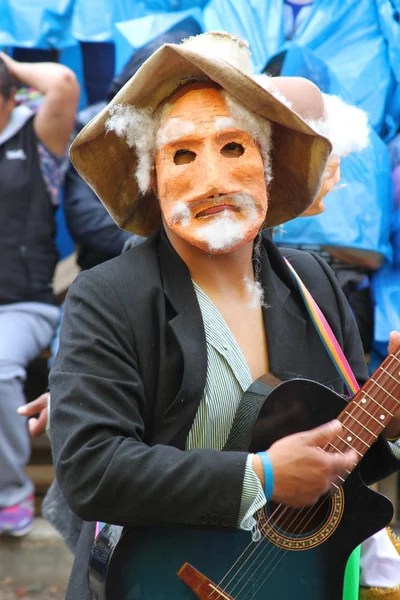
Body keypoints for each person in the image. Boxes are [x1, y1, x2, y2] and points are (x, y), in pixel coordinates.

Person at [49, 32, 400, 599]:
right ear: (152, 178)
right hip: (153, 582)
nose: (211, 181)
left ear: (267, 164)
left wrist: (388, 420)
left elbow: (341, 454)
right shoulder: (107, 296)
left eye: (233, 147)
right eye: (182, 154)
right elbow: (90, 469)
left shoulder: (313, 282)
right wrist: (259, 477)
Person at [0, 52, 79, 536]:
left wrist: (5, 60)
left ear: (10, 97)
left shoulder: (37, 135)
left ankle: (10, 496)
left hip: (21, 304)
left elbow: (65, 82)